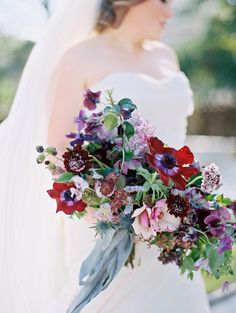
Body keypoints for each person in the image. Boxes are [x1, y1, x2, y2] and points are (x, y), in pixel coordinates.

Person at [0, 0, 211, 312]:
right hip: (109, 224)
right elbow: (57, 151)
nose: (170, 11)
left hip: (177, 222)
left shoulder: (167, 55)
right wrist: (116, 209)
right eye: (163, 1)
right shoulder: (79, 58)